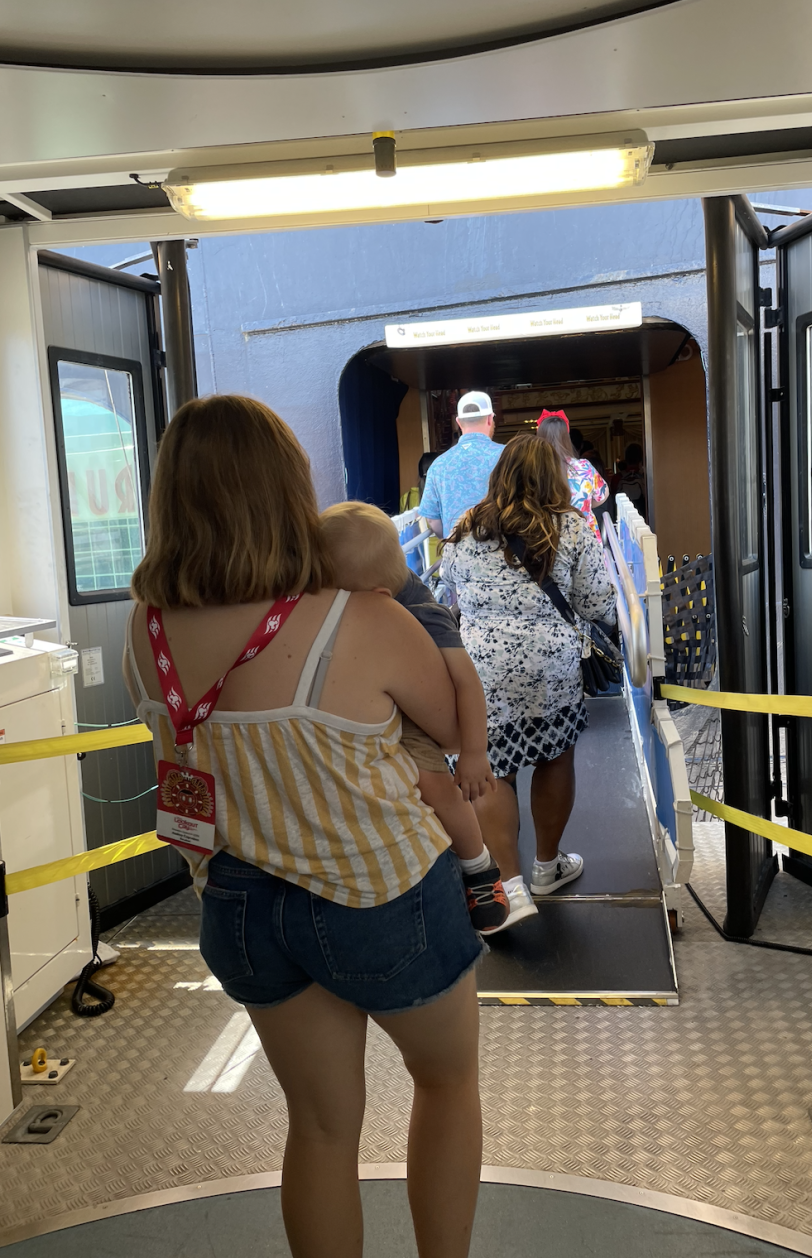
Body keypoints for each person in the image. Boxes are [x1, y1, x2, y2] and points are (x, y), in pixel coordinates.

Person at [123, 395, 483, 1258]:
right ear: (286, 488)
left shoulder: (145, 628)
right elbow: (441, 725)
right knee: (446, 1081)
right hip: (382, 895)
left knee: (319, 1128)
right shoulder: (358, 618)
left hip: (242, 907)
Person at [442, 435, 617, 926]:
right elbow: (597, 605)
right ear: (553, 476)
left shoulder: (466, 527)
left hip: (481, 673)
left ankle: (510, 888)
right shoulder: (572, 528)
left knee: (492, 767)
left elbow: (445, 590)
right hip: (549, 670)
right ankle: (547, 865)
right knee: (554, 757)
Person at [315, 500, 508, 933]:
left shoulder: (423, 613)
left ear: (379, 599)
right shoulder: (365, 590)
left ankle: (479, 869)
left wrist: (475, 753)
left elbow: (466, 681)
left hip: (415, 719)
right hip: (373, 702)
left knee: (438, 788)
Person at [419, 391, 503, 538]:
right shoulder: (510, 456)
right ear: (490, 419)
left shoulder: (439, 465)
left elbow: (432, 520)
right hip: (504, 554)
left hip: (458, 556)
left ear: (458, 422)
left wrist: (450, 541)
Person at [535, 409, 610, 542]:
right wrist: (583, 504)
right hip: (585, 541)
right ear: (566, 437)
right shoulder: (584, 467)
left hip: (547, 543)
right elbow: (602, 496)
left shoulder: (532, 469)